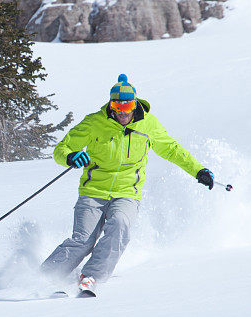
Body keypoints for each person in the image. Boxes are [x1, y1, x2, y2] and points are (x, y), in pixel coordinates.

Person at [40, 74, 214, 296]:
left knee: (120, 226)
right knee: (83, 240)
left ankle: (90, 276)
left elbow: (171, 149)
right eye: (118, 106)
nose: (123, 112)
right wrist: (71, 156)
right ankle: (45, 277)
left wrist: (198, 170)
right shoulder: (95, 122)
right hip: (93, 191)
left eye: (128, 106)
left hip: (127, 192)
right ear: (111, 105)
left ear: (135, 104)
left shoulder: (148, 124)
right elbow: (61, 149)